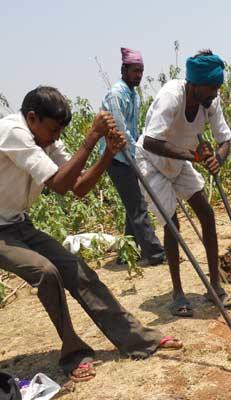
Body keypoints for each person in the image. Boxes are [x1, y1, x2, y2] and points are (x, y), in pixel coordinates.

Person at [0, 87, 182, 382]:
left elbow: (78, 187)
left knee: (77, 270)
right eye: (53, 129)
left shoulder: (44, 138)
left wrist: (108, 153)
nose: (57, 136)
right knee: (45, 271)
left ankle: (137, 339)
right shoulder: (13, 133)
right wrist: (91, 138)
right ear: (32, 118)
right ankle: (73, 353)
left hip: (17, 223)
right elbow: (58, 185)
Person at [136, 50, 231, 317]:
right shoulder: (172, 96)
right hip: (151, 163)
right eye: (211, 88)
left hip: (179, 161)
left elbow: (225, 139)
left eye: (217, 87)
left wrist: (218, 158)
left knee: (207, 213)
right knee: (173, 223)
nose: (215, 93)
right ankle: (178, 293)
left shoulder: (211, 102)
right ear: (194, 84)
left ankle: (215, 286)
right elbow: (151, 141)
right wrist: (192, 155)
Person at [100, 47, 165, 266]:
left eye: (141, 71)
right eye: (135, 71)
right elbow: (120, 130)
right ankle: (155, 253)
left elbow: (134, 130)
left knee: (132, 204)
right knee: (137, 205)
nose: (139, 75)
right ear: (124, 69)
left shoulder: (133, 94)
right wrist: (134, 154)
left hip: (128, 154)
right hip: (117, 157)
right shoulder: (117, 94)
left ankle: (127, 252)